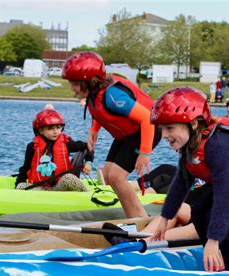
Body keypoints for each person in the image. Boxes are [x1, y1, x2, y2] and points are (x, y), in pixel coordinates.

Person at [148, 87, 229, 272]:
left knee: (215, 216)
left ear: (193, 124)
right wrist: (165, 218)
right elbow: (182, 181)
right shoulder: (191, 144)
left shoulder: (217, 146)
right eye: (162, 128)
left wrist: (213, 239)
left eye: (170, 128)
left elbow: (224, 195)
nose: (164, 135)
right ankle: (215, 258)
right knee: (198, 211)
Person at [62, 51, 162, 218]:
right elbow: (102, 112)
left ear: (89, 81)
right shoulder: (95, 93)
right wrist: (94, 129)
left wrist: (145, 152)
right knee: (108, 173)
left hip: (146, 130)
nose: (71, 87)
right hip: (127, 135)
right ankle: (137, 213)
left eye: (74, 83)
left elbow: (146, 117)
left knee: (117, 176)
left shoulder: (113, 95)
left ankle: (137, 219)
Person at [15, 104, 93, 191]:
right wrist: (18, 185)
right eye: (50, 128)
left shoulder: (67, 143)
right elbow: (25, 168)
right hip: (40, 187)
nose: (55, 132)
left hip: (61, 187)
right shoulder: (32, 146)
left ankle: (87, 195)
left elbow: (88, 146)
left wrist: (89, 163)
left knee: (69, 178)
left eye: (58, 127)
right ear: (41, 130)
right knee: (21, 186)